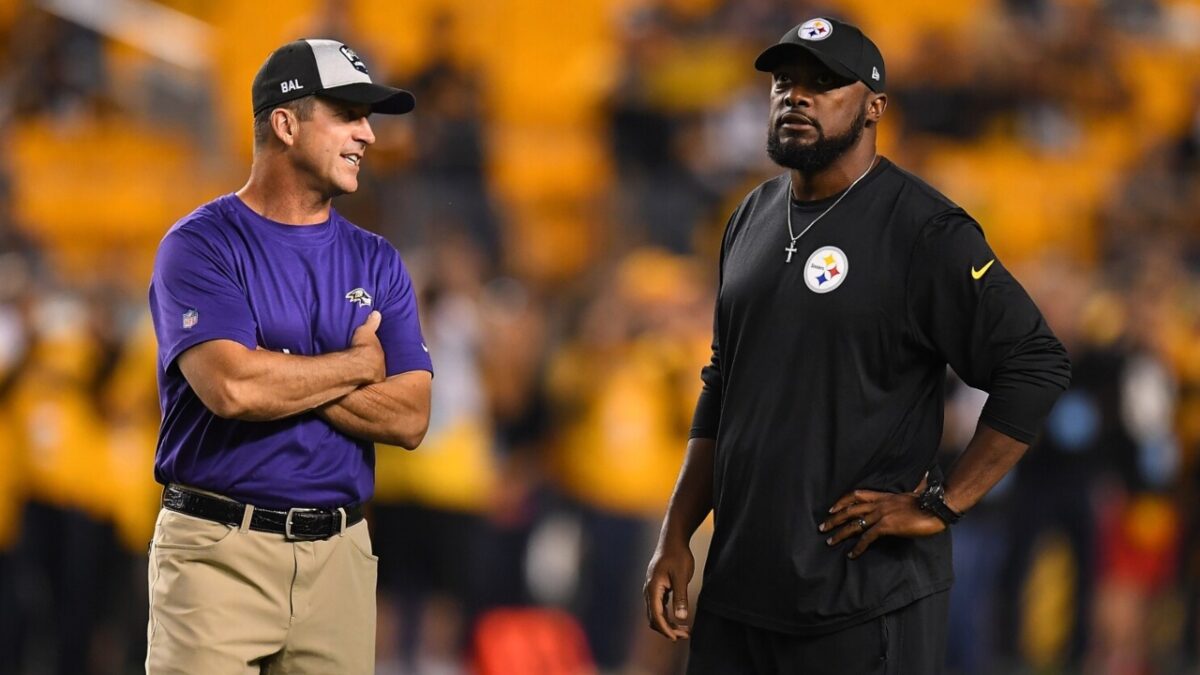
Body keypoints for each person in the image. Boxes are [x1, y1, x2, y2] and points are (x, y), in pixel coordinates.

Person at [643, 17, 1072, 673]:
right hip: (740, 593)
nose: (797, 96)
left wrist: (944, 501)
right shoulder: (749, 217)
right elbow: (722, 384)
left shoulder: (925, 230)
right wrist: (676, 533)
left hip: (862, 599)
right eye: (785, 81)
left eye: (825, 83)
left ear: (874, 107)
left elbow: (1034, 361)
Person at [146, 38, 432, 673]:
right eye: (349, 114)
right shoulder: (199, 246)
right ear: (285, 122)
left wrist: (281, 369)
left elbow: (411, 418)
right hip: (217, 555)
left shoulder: (378, 259)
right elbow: (234, 390)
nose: (369, 136)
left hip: (341, 558)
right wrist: (356, 366)